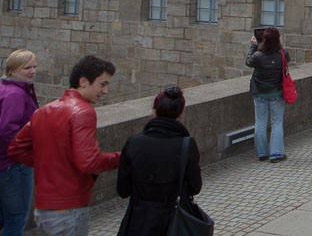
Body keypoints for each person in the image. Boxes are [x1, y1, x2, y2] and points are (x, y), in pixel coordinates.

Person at [8, 55, 120, 235]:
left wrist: (50, 163)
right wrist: (121, 157)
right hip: (69, 209)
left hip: (44, 209)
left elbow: (16, 149)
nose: (105, 90)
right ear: (83, 81)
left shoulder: (43, 111)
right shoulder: (83, 111)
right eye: (102, 84)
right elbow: (89, 162)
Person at [116, 87, 202, 235]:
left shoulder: (134, 142)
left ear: (154, 111)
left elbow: (123, 190)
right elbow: (195, 187)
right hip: (171, 222)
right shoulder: (186, 145)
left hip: (138, 221)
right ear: (180, 113)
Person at [0, 50, 39, 236]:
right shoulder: (16, 94)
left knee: (5, 218)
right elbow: (7, 130)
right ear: (13, 70)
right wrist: (24, 153)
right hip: (14, 166)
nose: (32, 71)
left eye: (34, 66)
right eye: (27, 67)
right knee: (16, 220)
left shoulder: (4, 88)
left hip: (5, 164)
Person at [246, 26, 290, 162]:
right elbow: (287, 60)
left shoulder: (258, 55)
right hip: (276, 92)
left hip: (260, 93)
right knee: (277, 123)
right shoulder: (282, 53)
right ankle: (276, 154)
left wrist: (253, 46)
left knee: (260, 122)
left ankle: (262, 153)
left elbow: (248, 62)